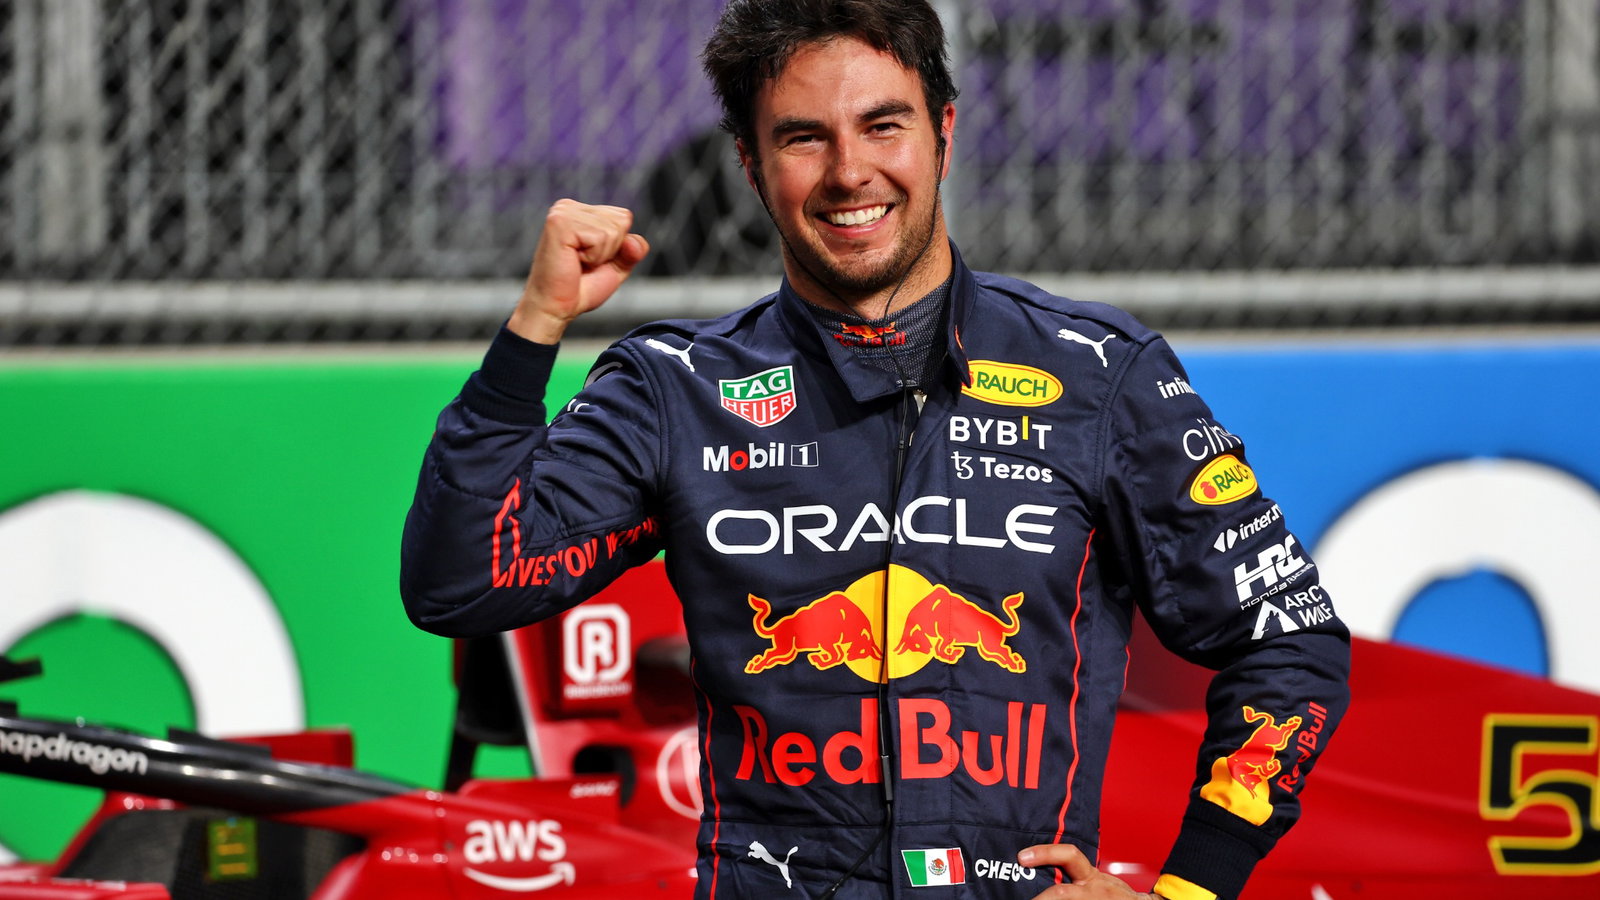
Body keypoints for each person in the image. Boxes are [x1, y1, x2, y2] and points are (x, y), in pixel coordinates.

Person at [400, 1, 1350, 898]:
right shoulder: (671, 387)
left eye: (883, 126)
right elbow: (459, 584)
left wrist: (1192, 884)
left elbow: (1290, 638)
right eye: (803, 137)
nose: (849, 171)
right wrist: (536, 326)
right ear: (749, 163)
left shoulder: (1101, 375)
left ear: (944, 130)